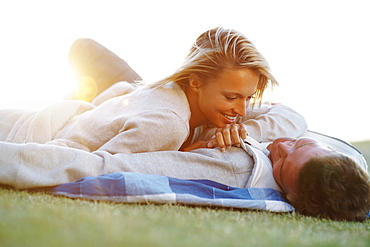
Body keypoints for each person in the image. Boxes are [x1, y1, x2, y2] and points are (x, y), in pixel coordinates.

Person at [0, 27, 296, 154]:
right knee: (84, 49)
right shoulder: (168, 124)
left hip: (131, 92)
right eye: (231, 97)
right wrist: (184, 153)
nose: (242, 111)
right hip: (50, 126)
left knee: (98, 61)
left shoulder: (200, 99)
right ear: (195, 81)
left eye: (248, 98)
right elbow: (93, 166)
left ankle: (107, 96)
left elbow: (290, 115)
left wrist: (245, 132)